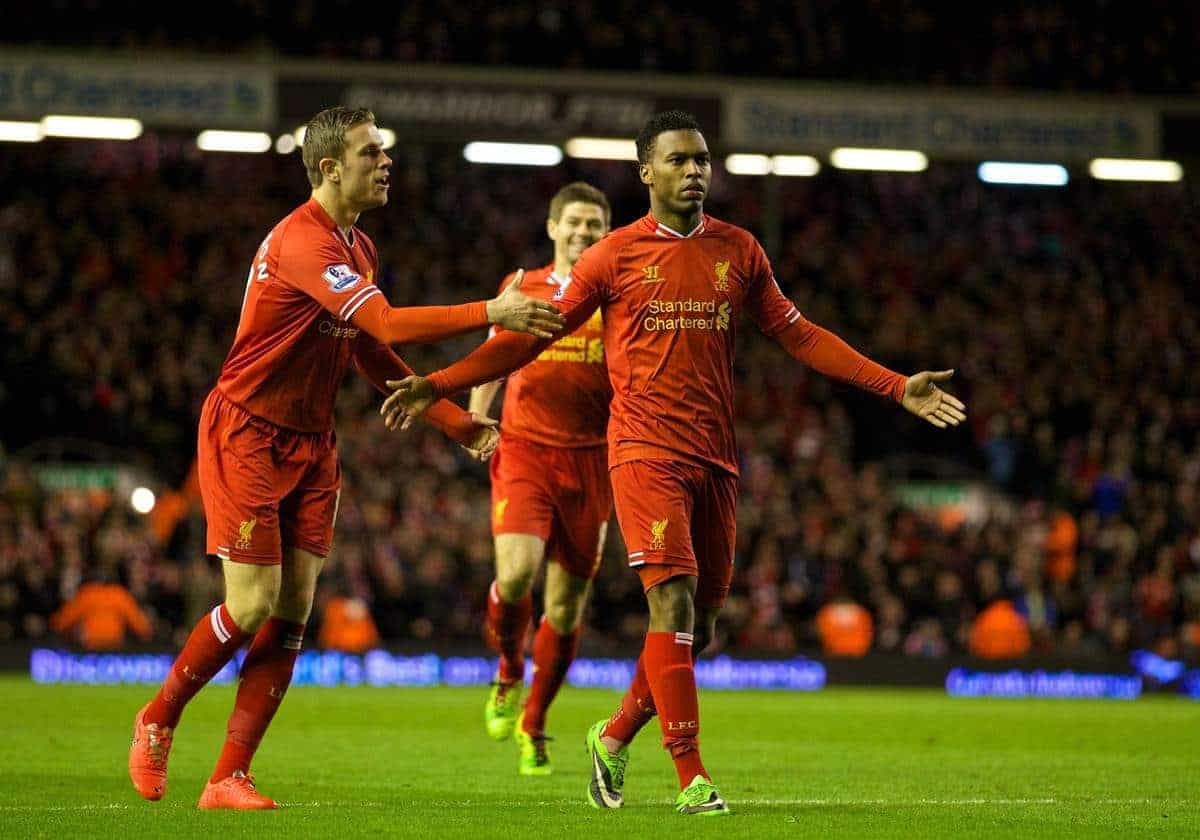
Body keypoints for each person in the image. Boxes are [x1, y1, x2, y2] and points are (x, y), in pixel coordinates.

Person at [381, 110, 967, 816]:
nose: (696, 171)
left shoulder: (739, 250)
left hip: (714, 459)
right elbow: (526, 341)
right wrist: (441, 386)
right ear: (647, 173)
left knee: (703, 625)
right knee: (674, 602)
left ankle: (615, 733)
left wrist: (896, 385)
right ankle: (692, 776)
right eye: (681, 160)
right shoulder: (613, 257)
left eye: (703, 160)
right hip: (638, 452)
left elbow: (800, 335)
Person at [127, 105, 564, 811]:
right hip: (248, 431)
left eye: (383, 149)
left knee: (293, 611)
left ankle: (228, 777)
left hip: (310, 440)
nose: (385, 161)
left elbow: (366, 346)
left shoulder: (358, 248)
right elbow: (388, 321)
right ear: (330, 168)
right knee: (251, 604)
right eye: (370, 152)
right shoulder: (303, 243)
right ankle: (158, 717)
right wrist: (492, 309)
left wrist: (452, 421)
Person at [469, 182, 613, 776]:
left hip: (593, 459)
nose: (583, 232)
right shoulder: (521, 286)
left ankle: (535, 723)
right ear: (553, 228)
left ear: (607, 234)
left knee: (566, 608)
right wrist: (478, 414)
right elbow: (493, 355)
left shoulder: (618, 295)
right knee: (518, 573)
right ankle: (507, 670)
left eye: (594, 225)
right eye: (574, 223)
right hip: (525, 450)